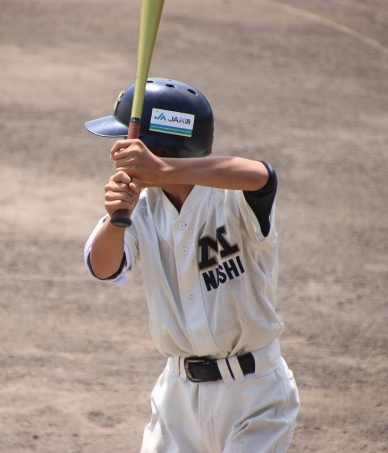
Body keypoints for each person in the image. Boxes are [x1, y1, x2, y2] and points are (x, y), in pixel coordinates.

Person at [83, 78, 300, 453]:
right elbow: (103, 267)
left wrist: (164, 171)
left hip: (255, 395)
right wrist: (117, 219)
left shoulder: (231, 198)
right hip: (178, 398)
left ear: (160, 149)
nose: (118, 152)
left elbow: (262, 176)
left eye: (129, 142)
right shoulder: (141, 207)